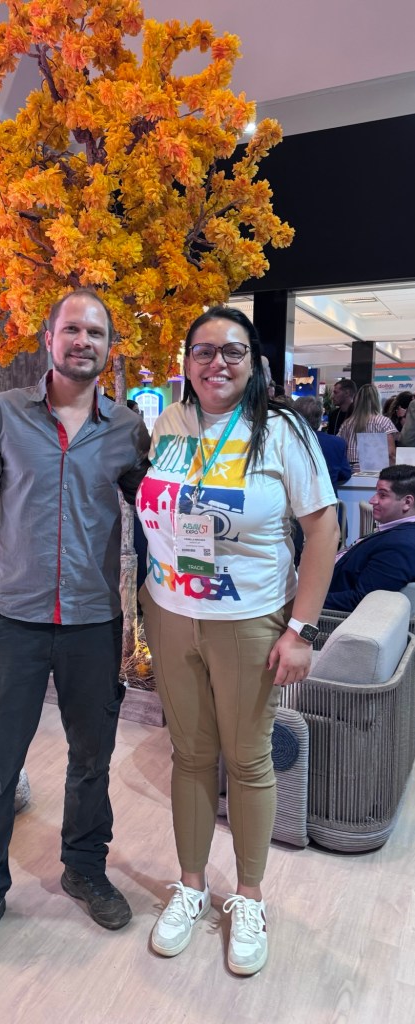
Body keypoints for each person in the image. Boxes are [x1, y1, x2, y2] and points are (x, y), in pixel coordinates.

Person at [0, 289, 150, 972]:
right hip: (17, 621)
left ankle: (84, 869)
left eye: (96, 332)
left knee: (91, 761)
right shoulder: (1, 414)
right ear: (49, 338)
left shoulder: (127, 428)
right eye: (72, 329)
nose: (84, 341)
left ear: (108, 347)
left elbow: (157, 514)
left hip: (93, 622)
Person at [137, 306, 338, 976]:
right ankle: (192, 886)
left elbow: (322, 530)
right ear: (186, 362)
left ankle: (248, 898)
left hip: (249, 617)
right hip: (170, 611)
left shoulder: (281, 429)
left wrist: (300, 629)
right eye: (203, 351)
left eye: (232, 351)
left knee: (248, 761)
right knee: (190, 756)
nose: (216, 363)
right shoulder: (168, 423)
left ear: (253, 362)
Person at [324, 465, 415, 612]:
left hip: (328, 615)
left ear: (407, 502)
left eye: (382, 495)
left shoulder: (401, 546)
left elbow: (362, 600)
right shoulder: (395, 531)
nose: (372, 500)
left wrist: (303, 600)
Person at [296, 396, 352, 493]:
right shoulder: (337, 443)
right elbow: (345, 474)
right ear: (320, 417)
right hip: (328, 499)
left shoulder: (287, 442)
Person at [337, 383, 397, 470]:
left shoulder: (347, 423)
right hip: (376, 471)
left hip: (351, 471)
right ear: (377, 400)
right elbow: (391, 454)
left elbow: (339, 446)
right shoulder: (384, 422)